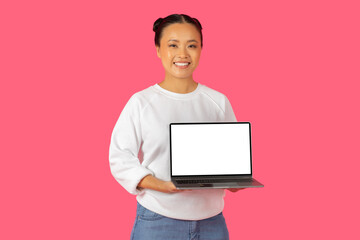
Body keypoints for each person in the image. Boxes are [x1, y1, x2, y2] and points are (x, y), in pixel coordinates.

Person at [109, 13, 244, 240]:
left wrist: (235, 178)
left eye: (192, 45)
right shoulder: (141, 102)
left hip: (212, 222)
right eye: (173, 45)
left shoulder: (218, 101)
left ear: (201, 49)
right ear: (158, 49)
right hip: (158, 220)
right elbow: (119, 157)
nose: (182, 54)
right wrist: (161, 185)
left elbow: (229, 157)